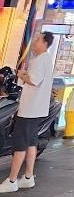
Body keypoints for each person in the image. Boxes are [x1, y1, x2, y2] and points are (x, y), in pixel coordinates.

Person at [0, 32, 54, 193]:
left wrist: (22, 75)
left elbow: (33, 80)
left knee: (20, 145)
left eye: (37, 40)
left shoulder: (39, 60)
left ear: (44, 43)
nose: (34, 42)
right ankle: (28, 177)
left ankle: (12, 180)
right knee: (31, 143)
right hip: (37, 109)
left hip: (29, 110)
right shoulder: (47, 59)